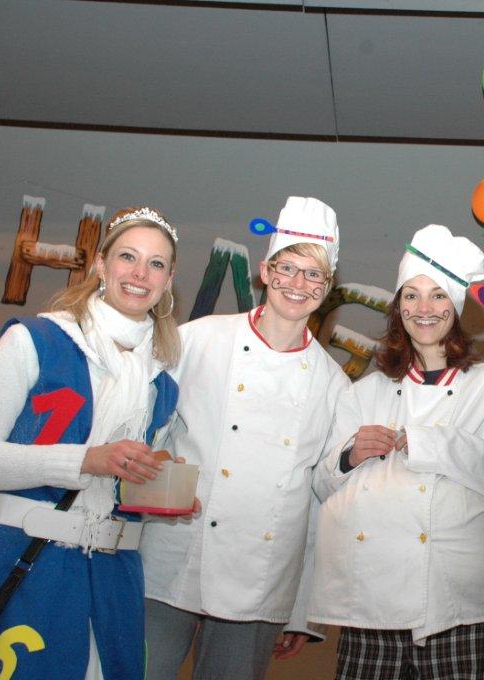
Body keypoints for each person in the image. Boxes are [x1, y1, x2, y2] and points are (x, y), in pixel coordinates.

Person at [0, 205, 180, 679]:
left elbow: (120, 492)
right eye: (127, 256)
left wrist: (160, 491)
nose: (140, 274)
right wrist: (86, 460)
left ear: (168, 281)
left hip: (116, 581)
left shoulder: (162, 384)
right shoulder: (35, 340)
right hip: (27, 563)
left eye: (156, 264)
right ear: (101, 264)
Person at [139, 196, 350, 680]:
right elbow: (146, 430)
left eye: (313, 275)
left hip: (260, 577)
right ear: (265, 271)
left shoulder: (334, 384)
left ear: (326, 288)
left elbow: (318, 502)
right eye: (287, 268)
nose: (297, 284)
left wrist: (301, 611)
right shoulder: (198, 339)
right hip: (174, 551)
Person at [309, 224, 484, 680]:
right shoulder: (366, 391)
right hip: (372, 598)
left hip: (459, 604)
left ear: (457, 308)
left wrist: (432, 442)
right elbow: (322, 485)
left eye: (438, 296)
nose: (423, 309)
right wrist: (349, 456)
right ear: (398, 308)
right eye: (411, 296)